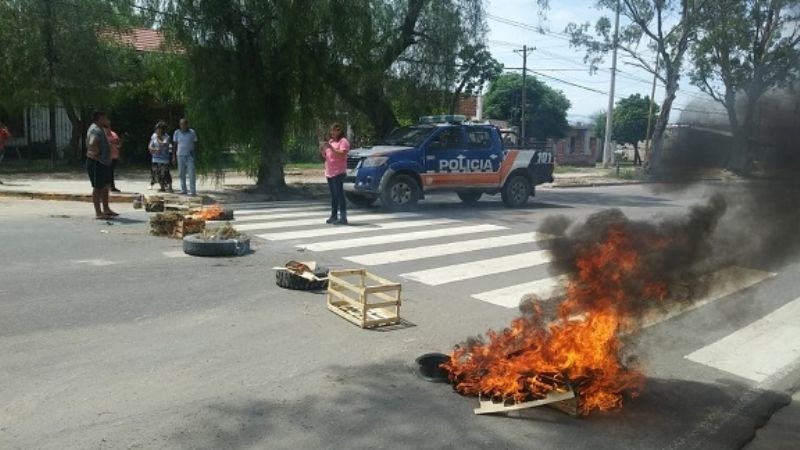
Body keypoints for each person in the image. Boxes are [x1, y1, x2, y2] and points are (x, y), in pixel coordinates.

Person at [86, 111, 118, 219]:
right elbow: (92, 143)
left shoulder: (100, 129)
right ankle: (98, 213)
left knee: (106, 186)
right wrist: (96, 153)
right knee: (98, 187)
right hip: (97, 162)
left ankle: (106, 209)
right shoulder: (95, 129)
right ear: (100, 118)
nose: (107, 119)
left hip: (104, 162)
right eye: (105, 118)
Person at [320, 123, 350, 225]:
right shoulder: (331, 141)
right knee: (333, 195)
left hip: (339, 172)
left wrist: (331, 148)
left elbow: (342, 153)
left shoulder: (343, 141)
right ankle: (333, 215)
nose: (333, 132)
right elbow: (327, 156)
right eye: (332, 130)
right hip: (330, 172)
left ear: (340, 131)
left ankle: (343, 217)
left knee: (339, 194)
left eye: (336, 130)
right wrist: (322, 150)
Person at [172, 118, 198, 196]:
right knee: (181, 174)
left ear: (187, 125)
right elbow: (174, 145)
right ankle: (183, 190)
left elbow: (196, 144)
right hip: (180, 155)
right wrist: (173, 156)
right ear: (179, 125)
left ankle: (192, 191)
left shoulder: (192, 132)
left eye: (184, 124)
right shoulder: (176, 132)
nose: (182, 126)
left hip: (190, 156)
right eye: (181, 124)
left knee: (191, 174)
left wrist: (195, 155)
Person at [148, 121, 173, 192]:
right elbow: (150, 145)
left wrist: (158, 137)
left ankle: (170, 186)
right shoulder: (153, 135)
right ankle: (162, 187)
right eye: (156, 128)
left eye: (157, 128)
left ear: (162, 129)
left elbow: (164, 144)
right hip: (155, 158)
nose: (156, 130)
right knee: (157, 173)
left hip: (164, 158)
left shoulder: (167, 137)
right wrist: (153, 149)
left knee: (165, 173)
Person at [105, 123, 121, 192]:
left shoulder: (114, 134)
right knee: (107, 171)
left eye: (108, 127)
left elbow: (119, 144)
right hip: (105, 157)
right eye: (106, 128)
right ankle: (107, 186)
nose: (107, 129)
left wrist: (114, 145)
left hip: (114, 156)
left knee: (110, 171)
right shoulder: (102, 135)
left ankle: (111, 186)